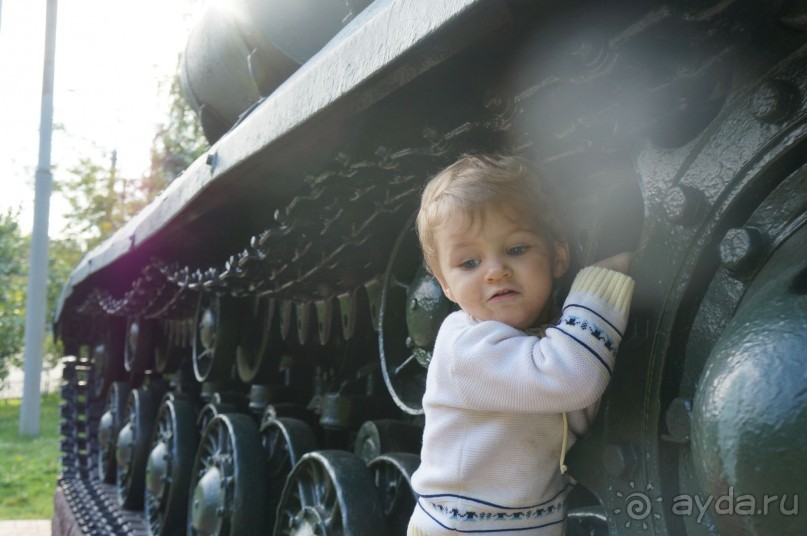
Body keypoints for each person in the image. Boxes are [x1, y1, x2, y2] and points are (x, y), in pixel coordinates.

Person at [408, 154, 634, 535]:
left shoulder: (548, 336)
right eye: (469, 263)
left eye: (516, 249)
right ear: (445, 285)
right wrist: (601, 282)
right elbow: (571, 379)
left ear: (557, 256)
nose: (495, 271)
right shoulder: (463, 346)